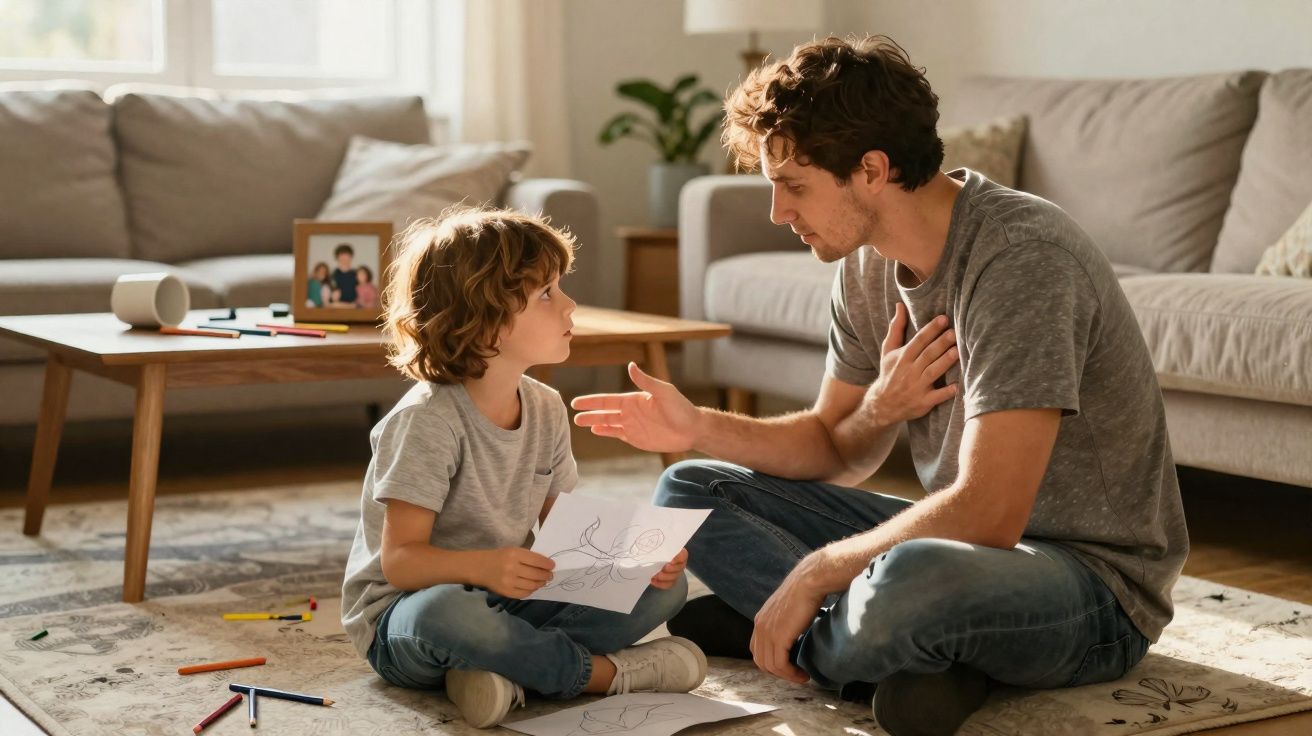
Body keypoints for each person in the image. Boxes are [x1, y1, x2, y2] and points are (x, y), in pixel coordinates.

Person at [571, 35, 1187, 736]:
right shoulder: (866, 264)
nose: (777, 212)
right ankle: (908, 660)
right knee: (690, 490)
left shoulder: (1022, 257)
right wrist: (697, 427)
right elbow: (836, 447)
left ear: (871, 169)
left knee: (911, 578)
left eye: (794, 185)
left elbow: (990, 513)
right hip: (968, 549)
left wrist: (813, 575)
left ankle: (801, 631)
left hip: (1092, 585)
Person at [340, 208, 707, 730]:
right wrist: (483, 568)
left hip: (506, 603)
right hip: (407, 618)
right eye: (547, 294)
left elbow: (569, 535)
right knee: (447, 613)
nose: (570, 304)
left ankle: (502, 670)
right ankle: (602, 675)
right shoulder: (426, 422)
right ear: (483, 320)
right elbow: (401, 563)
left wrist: (640, 557)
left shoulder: (546, 407)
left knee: (667, 588)